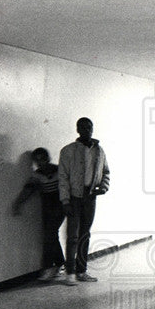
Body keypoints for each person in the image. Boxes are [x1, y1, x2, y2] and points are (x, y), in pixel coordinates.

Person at [57, 117, 109, 285]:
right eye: (83, 127)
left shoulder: (99, 151)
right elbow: (63, 177)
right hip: (74, 197)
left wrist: (103, 187)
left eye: (89, 127)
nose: (87, 130)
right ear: (77, 129)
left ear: (93, 128)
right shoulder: (67, 151)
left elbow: (106, 172)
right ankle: (70, 273)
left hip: (90, 197)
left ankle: (82, 271)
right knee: (72, 236)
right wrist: (65, 200)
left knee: (85, 234)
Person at [11, 147, 65, 282]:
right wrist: (18, 203)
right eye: (37, 161)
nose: (40, 163)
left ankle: (49, 267)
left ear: (48, 158)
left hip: (60, 207)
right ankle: (59, 265)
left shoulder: (60, 170)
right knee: (51, 235)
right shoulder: (37, 175)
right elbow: (27, 190)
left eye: (43, 159)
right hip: (47, 208)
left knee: (49, 235)